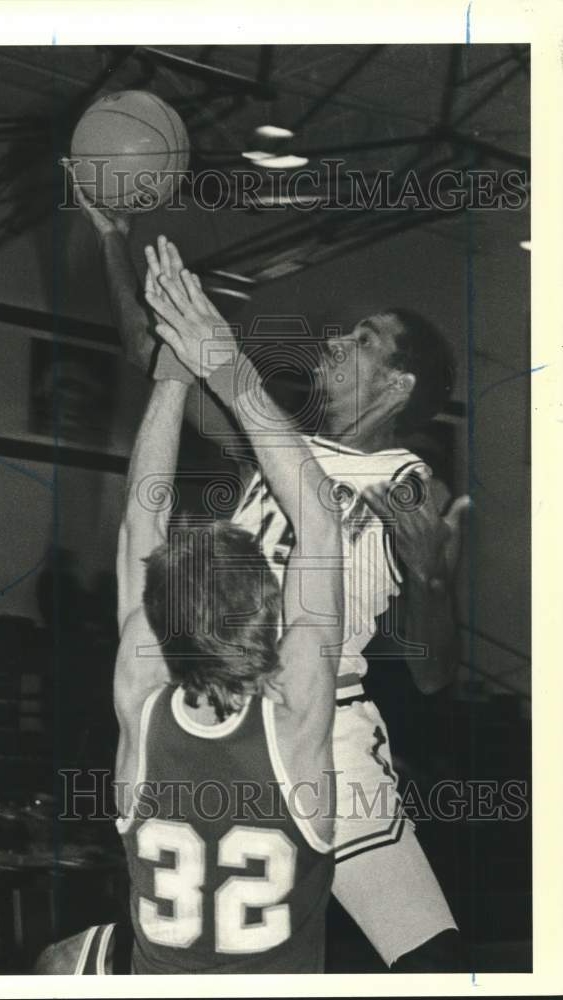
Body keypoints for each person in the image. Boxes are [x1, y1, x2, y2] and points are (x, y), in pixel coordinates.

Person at [66, 166, 469, 972]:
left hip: (326, 730)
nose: (334, 340)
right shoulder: (272, 446)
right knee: (201, 928)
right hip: (213, 700)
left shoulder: (412, 485)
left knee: (429, 960)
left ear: (399, 383)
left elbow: (433, 679)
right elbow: (157, 356)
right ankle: (124, 957)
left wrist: (431, 583)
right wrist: (113, 237)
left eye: (363, 340)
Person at [108, 241, 345, 974]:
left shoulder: (141, 705)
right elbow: (320, 518)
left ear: (158, 626)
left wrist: (174, 374)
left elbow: (139, 526)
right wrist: (223, 362)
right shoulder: (297, 719)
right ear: (268, 614)